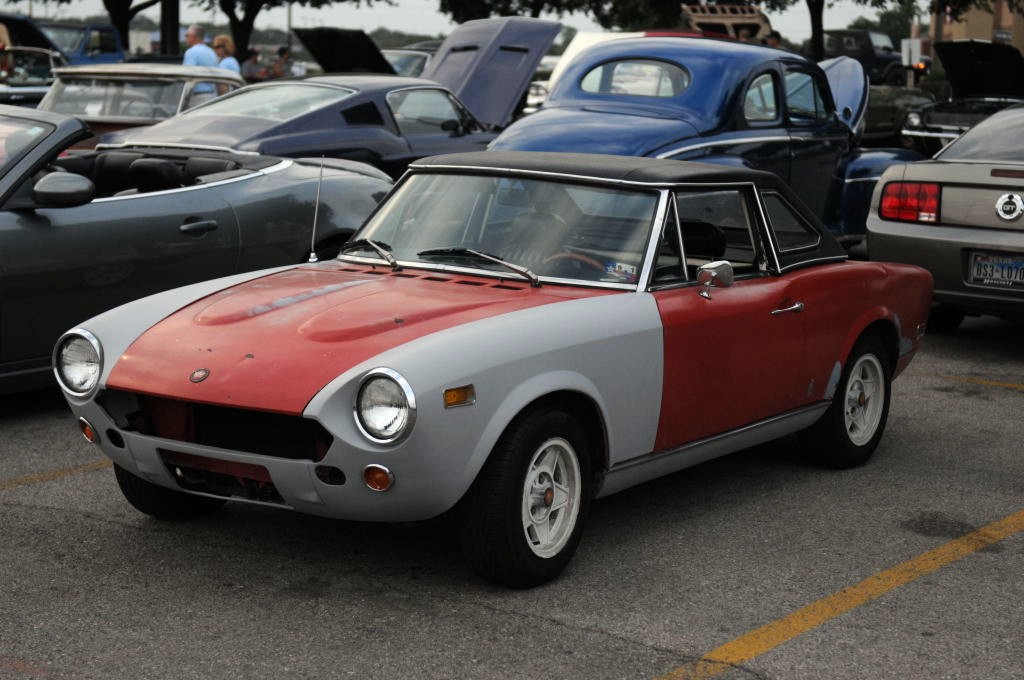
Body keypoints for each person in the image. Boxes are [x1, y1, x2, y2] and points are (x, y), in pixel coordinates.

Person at [183, 24, 218, 104]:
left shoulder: (191, 52)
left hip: (197, 97)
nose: (185, 38)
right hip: (212, 95)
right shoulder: (212, 52)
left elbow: (187, 77)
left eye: (187, 35)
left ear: (193, 37)